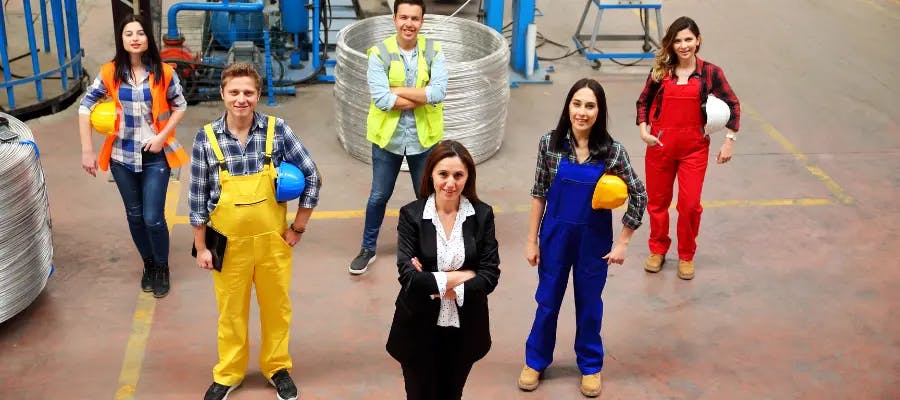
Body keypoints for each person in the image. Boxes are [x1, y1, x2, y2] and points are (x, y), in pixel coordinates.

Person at [189, 63, 321, 400]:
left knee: (277, 308)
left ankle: (277, 367)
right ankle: (229, 372)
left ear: (258, 95)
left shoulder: (278, 131)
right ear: (223, 94)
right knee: (231, 312)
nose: (241, 99)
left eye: (248, 92)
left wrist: (298, 228)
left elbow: (312, 176)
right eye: (234, 92)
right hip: (227, 246)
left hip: (271, 243)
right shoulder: (206, 138)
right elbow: (197, 197)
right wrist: (201, 247)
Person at [517, 79, 647, 398]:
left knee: (589, 305)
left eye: (590, 106)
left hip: (594, 241)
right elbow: (539, 193)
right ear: (568, 106)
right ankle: (535, 361)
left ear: (599, 111)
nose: (582, 112)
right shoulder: (550, 144)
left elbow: (639, 194)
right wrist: (531, 240)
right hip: (555, 237)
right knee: (547, 302)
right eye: (577, 104)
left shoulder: (613, 152)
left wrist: (623, 241)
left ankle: (590, 366)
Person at [77, 15, 188, 298]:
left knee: (152, 217)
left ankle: (162, 267)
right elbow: (84, 108)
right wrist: (87, 150)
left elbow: (180, 105)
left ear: (148, 38)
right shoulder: (109, 72)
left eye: (140, 33)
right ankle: (148, 264)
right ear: (122, 40)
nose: (135, 38)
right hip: (121, 157)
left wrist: (162, 137)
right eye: (129, 34)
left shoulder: (163, 72)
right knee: (135, 216)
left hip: (154, 156)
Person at [387, 140, 500, 400]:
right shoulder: (411, 215)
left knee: (452, 395)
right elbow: (409, 278)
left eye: (458, 175)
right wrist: (463, 276)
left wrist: (437, 284)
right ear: (431, 175)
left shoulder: (482, 215)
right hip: (418, 328)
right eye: (443, 174)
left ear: (468, 177)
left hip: (464, 328)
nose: (450, 183)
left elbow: (489, 276)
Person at [635, 16, 741, 280]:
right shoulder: (661, 71)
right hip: (660, 147)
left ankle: (686, 255)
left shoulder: (711, 73)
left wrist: (730, 140)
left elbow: (733, 104)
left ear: (698, 41)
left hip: (694, 149)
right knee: (658, 203)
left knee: (690, 205)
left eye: (688, 40)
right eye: (678, 40)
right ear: (671, 44)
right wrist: (643, 130)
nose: (683, 46)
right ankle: (657, 249)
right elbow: (643, 102)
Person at [349, 0, 449, 275]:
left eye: (414, 18)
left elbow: (438, 93)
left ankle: (428, 250)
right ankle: (368, 248)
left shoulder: (433, 51)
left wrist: (398, 90)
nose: (409, 23)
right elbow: (381, 100)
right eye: (403, 17)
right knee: (378, 196)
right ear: (394, 20)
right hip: (388, 139)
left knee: (426, 197)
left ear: (422, 22)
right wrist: (421, 94)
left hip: (423, 139)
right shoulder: (379, 53)